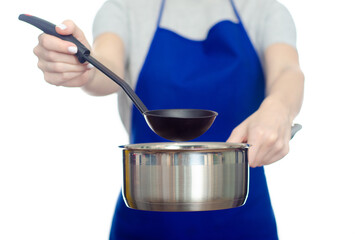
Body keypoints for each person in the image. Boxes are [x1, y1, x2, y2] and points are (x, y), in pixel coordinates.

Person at [33, 0, 304, 239]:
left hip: (243, 219)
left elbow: (288, 71)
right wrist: (83, 67)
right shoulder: (126, 7)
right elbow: (107, 66)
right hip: (146, 220)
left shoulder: (265, 9)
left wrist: (279, 108)